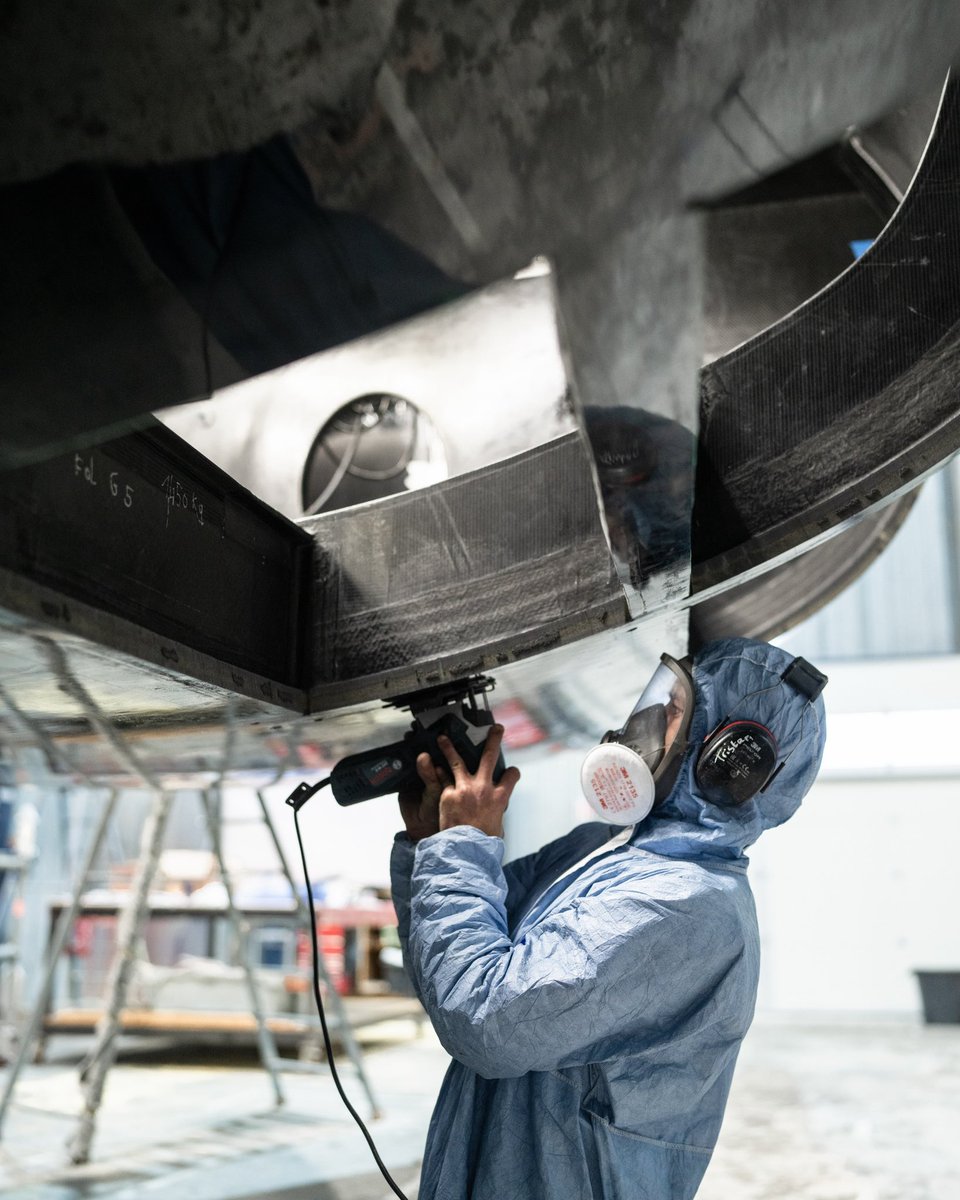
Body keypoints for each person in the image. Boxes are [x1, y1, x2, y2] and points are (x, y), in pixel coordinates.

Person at [390, 636, 827, 1200]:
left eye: (671, 713)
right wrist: (433, 846)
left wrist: (462, 847)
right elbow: (453, 958)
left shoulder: (687, 906)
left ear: (728, 762)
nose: (642, 724)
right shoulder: (609, 848)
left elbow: (482, 1020)